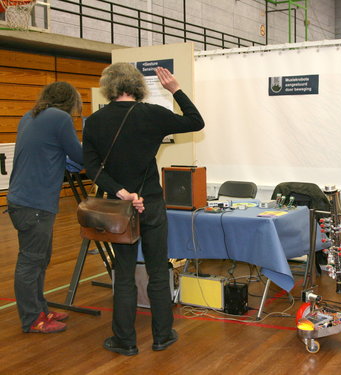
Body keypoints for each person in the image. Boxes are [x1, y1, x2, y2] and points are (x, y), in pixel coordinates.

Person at [82, 62, 205, 356]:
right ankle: (162, 335)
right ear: (137, 86)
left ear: (109, 87)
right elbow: (195, 121)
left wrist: (122, 192)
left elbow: (91, 167)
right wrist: (174, 89)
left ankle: (124, 341)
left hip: (119, 207)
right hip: (150, 203)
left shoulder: (95, 121)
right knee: (157, 271)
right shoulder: (152, 114)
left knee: (123, 274)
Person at [7, 81, 83, 334]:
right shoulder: (60, 118)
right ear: (71, 101)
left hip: (23, 199)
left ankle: (41, 309)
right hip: (35, 202)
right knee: (31, 261)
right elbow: (79, 156)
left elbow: (47, 153)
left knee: (39, 260)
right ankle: (32, 319)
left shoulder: (30, 116)